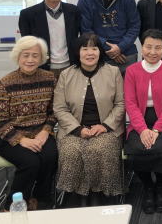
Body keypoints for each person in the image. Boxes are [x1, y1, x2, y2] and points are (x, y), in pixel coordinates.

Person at [53, 33, 125, 206]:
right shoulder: (66, 75)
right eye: (85, 49)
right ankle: (76, 195)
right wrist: (78, 129)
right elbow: (59, 108)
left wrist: (105, 126)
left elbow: (121, 104)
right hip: (73, 129)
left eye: (94, 48)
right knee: (71, 151)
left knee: (99, 149)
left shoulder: (113, 72)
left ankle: (99, 194)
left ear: (100, 51)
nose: (90, 53)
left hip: (107, 129)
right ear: (77, 52)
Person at [0, 36, 57, 210]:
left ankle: (40, 199)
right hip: (8, 136)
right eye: (25, 55)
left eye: (35, 55)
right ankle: (12, 206)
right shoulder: (5, 83)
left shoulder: (50, 78)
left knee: (51, 157)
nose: (30, 60)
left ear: (41, 58)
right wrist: (21, 139)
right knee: (30, 162)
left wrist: (45, 131)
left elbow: (54, 111)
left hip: (40, 132)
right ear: (18, 56)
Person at [124, 29, 162, 214]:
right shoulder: (132, 70)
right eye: (148, 47)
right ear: (142, 48)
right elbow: (130, 103)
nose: (153, 52)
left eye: (158, 48)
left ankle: (161, 185)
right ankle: (148, 186)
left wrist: (156, 130)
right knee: (136, 149)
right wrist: (142, 130)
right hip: (139, 120)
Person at [77, 0, 140, 75]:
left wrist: (120, 47)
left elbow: (134, 26)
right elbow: (86, 30)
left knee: (128, 86)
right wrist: (109, 49)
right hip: (99, 54)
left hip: (126, 54)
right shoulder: (85, 0)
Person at [18, 0, 80, 76]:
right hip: (41, 68)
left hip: (70, 67)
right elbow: (27, 45)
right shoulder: (27, 14)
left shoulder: (74, 11)